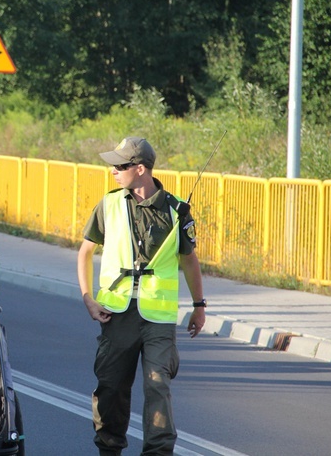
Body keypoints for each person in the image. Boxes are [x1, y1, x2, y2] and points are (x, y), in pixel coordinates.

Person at [77, 137, 206, 456]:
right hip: (116, 313)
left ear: (139, 168)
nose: (112, 171)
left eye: (119, 166)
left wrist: (199, 306)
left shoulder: (177, 211)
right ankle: (109, 448)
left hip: (158, 319)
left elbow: (188, 260)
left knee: (156, 384)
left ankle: (158, 452)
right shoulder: (108, 204)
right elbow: (85, 252)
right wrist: (88, 298)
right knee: (111, 388)